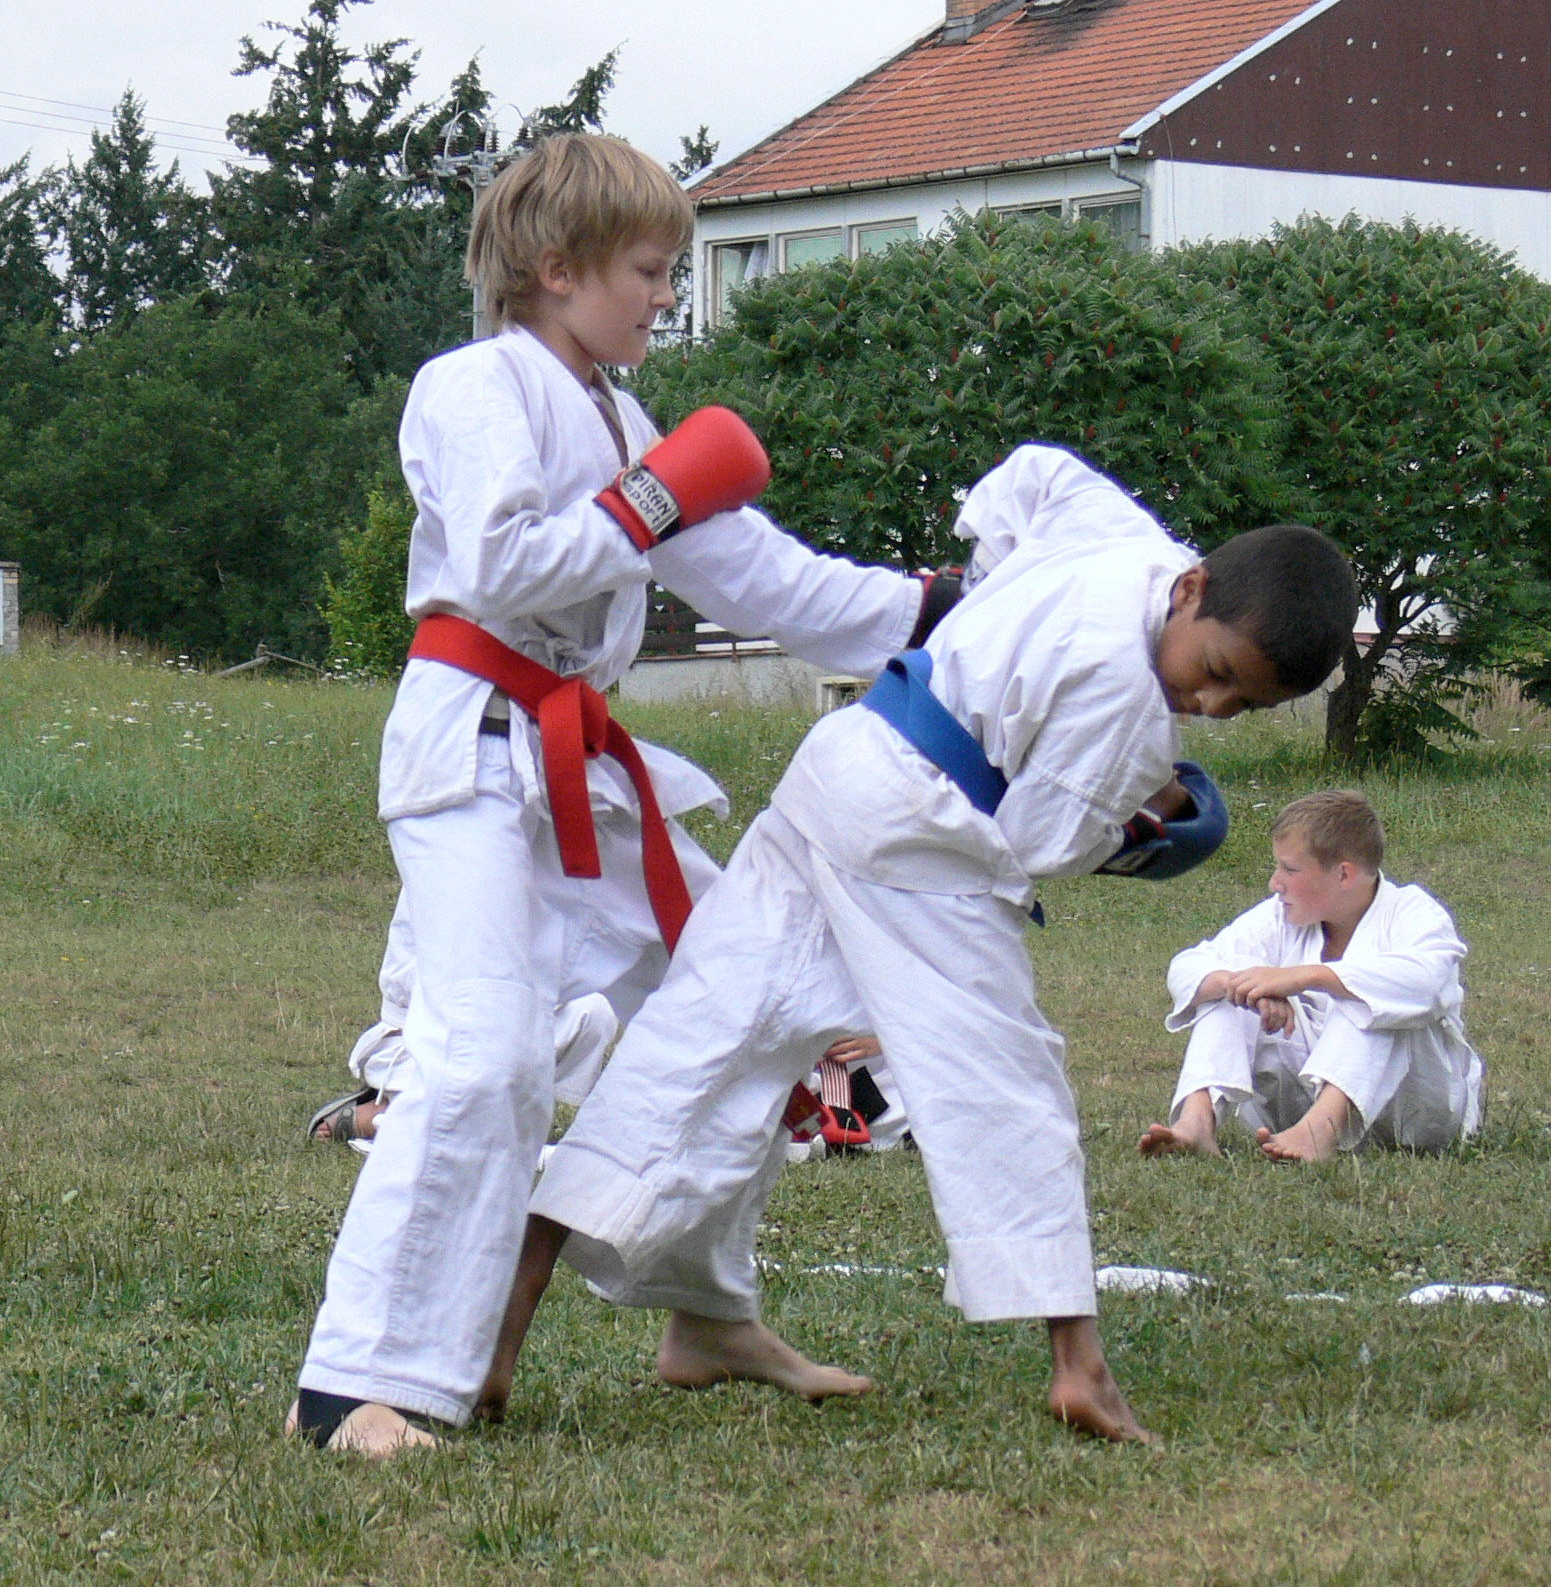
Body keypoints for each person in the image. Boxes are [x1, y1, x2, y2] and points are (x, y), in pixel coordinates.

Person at [484, 444, 1359, 1444]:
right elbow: (1038, 839)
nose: (1208, 706)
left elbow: (1030, 476)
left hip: (841, 764)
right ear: (1192, 591)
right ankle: (1079, 1367)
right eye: (1215, 674)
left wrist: (985, 601)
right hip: (919, 833)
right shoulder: (1129, 717)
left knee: (714, 1035)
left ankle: (653, 1312)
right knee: (1005, 1078)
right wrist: (1146, 823)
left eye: (1241, 706)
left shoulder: (1121, 537)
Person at [290, 132, 936, 1457]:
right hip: (474, 756)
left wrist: (938, 613)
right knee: (485, 1056)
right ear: (555, 266)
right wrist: (646, 501)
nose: (667, 298)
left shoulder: (622, 420)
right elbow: (499, 564)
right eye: (648, 270)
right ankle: (354, 1386)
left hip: (580, 769)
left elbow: (769, 582)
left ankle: (702, 1307)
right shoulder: (470, 384)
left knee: (766, 992)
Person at [1139, 789, 1484, 1163]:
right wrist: (1242, 986)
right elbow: (1188, 966)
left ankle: (1321, 1131)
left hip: (1414, 1112)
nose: (1275, 883)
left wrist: (1307, 977)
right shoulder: (1280, 917)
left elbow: (1427, 984)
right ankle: (1196, 1122)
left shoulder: (1413, 912)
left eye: (1289, 869)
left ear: (1344, 874)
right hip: (1299, 1101)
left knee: (1372, 997)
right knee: (1228, 989)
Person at [307, 891, 620, 1150]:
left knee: (593, 1009)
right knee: (461, 1140)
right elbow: (413, 987)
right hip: (439, 1029)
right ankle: (393, 1111)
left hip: (513, 1017)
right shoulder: (453, 864)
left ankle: (501, 1114)